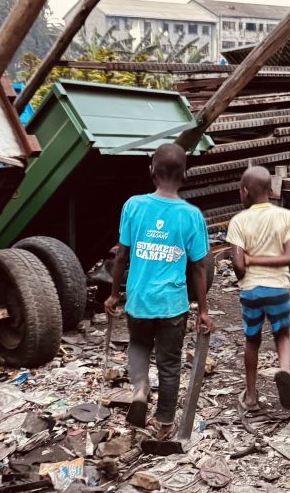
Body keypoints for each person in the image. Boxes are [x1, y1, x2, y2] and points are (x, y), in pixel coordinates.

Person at [105, 143, 214, 441]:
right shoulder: (191, 216)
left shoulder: (134, 206)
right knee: (169, 363)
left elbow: (122, 256)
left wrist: (115, 295)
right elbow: (198, 268)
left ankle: (140, 389)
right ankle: (165, 422)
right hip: (172, 305)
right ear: (185, 175)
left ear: (151, 171)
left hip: (139, 300)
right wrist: (203, 310)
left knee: (138, 346)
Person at [226, 166, 290, 411]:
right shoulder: (286, 216)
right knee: (282, 335)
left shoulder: (238, 221)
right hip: (278, 289)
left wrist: (249, 262)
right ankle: (284, 370)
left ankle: (250, 396)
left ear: (244, 192)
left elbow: (238, 264)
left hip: (251, 291)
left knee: (252, 341)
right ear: (271, 190)